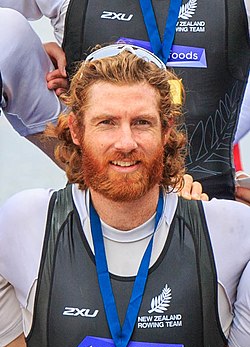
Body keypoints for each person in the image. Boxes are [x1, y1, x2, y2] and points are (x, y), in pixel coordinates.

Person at [0, 44, 249, 347]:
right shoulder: (23, 224)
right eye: (107, 122)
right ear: (76, 129)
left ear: (166, 129)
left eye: (142, 122)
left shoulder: (231, 234)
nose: (126, 142)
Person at [0, 0, 250, 199]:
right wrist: (35, 57)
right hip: (96, 167)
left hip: (206, 192)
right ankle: (103, 191)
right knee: (5, 33)